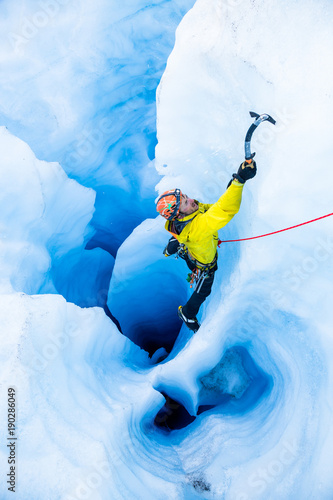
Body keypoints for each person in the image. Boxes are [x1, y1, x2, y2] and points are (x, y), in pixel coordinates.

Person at [156, 160, 257, 332]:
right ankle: (187, 313)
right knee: (203, 291)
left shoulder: (191, 212)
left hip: (192, 247)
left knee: (184, 244)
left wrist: (233, 184)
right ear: (178, 214)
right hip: (202, 264)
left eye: (186, 197)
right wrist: (239, 180)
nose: (191, 200)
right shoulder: (197, 227)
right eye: (186, 202)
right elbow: (222, 211)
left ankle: (175, 244)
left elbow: (215, 209)